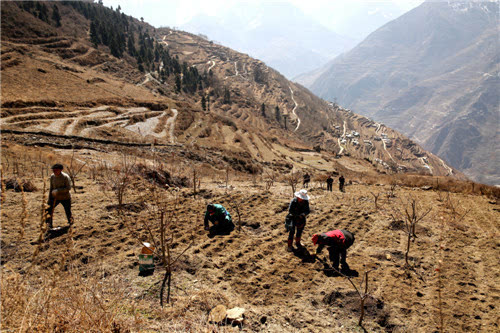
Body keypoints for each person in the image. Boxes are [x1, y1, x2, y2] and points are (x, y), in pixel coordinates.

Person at [45, 163, 72, 229]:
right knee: (48, 210)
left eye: (56, 170)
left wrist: (58, 190)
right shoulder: (52, 176)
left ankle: (71, 223)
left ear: (61, 170)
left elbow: (68, 188)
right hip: (55, 197)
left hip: (65, 197)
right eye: (53, 170)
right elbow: (51, 188)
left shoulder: (65, 177)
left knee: (67, 211)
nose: (54, 171)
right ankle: (49, 225)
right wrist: (49, 199)